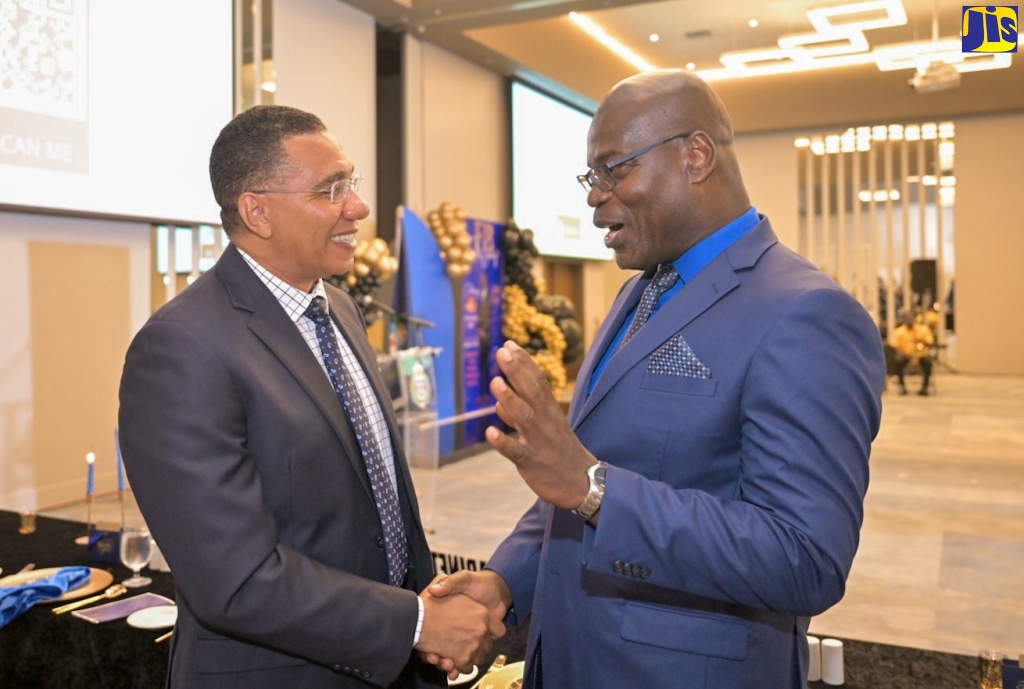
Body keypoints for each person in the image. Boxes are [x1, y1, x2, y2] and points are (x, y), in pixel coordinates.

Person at [424, 69, 886, 688]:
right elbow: (581, 481)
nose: (595, 195)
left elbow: (804, 559)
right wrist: (507, 581)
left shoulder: (805, 313)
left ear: (695, 156)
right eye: (592, 176)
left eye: (614, 169)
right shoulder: (639, 294)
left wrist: (594, 489)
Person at [118, 105, 503, 689]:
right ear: (257, 210)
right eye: (331, 190)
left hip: (394, 663)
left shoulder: (340, 308)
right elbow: (236, 579)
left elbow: (374, 502)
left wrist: (428, 613)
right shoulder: (181, 347)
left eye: (352, 183)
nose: (358, 207)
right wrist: (417, 622)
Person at [890, 309, 935, 395]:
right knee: (898, 363)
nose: (909, 320)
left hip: (921, 355)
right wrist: (902, 353)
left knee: (928, 364)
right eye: (907, 319)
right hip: (906, 355)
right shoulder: (899, 331)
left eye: (911, 318)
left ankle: (924, 388)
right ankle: (902, 387)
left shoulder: (923, 329)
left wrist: (922, 341)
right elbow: (895, 347)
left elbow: (930, 343)